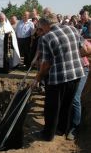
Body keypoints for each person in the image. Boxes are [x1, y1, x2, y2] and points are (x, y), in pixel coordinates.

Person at [32, 13, 88, 141]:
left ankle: (48, 135)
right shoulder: (73, 29)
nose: (41, 30)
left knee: (52, 107)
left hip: (58, 77)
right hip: (77, 74)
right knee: (66, 105)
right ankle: (62, 130)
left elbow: (46, 64)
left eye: (41, 27)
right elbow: (84, 49)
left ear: (46, 25)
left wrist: (37, 79)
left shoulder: (47, 38)